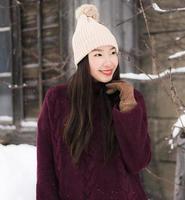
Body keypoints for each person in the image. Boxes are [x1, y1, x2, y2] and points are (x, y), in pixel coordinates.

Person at [36, 4, 151, 200]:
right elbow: (46, 171)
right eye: (98, 54)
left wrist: (128, 109)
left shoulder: (129, 99)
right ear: (82, 60)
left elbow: (138, 162)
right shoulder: (57, 100)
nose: (109, 62)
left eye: (112, 52)